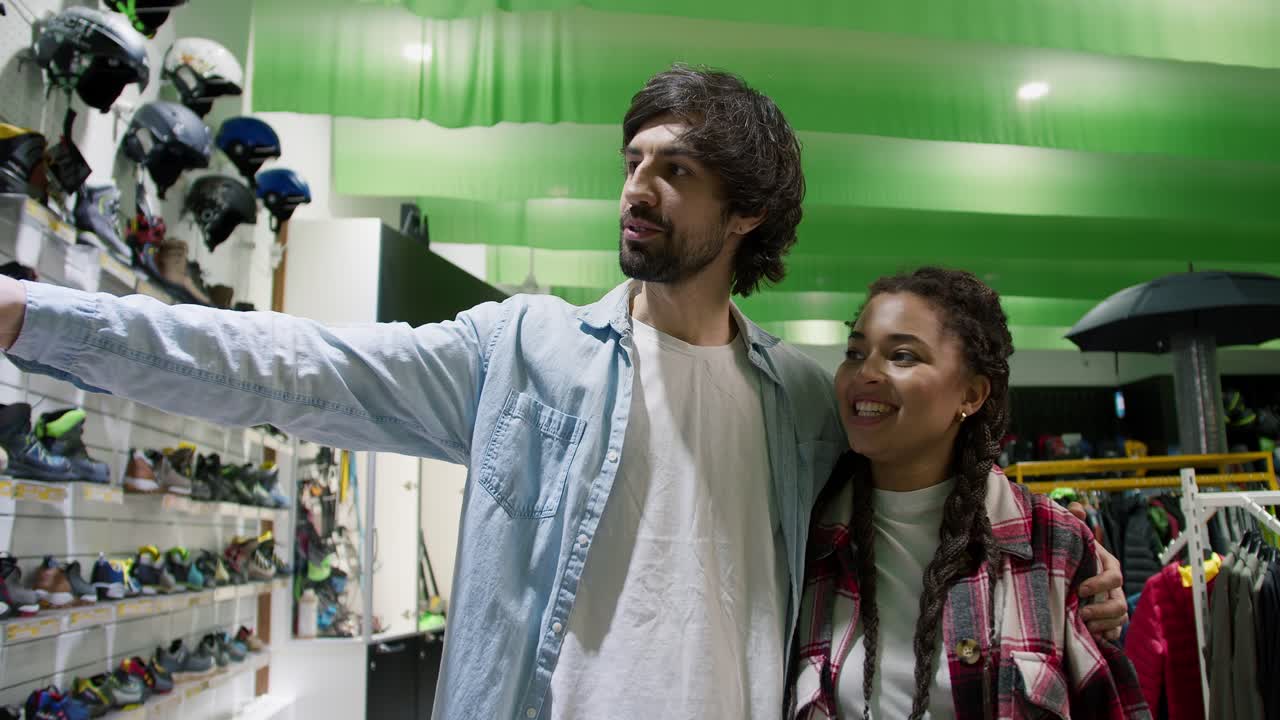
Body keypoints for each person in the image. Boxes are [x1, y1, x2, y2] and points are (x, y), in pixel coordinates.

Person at [0, 67, 1126, 719]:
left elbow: (928, 464)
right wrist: (37, 317)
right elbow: (295, 368)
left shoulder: (793, 392)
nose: (636, 188)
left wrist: (1073, 558)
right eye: (632, 161)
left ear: (743, 217)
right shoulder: (521, 350)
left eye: (673, 170)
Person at [787, 268, 1148, 720]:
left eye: (902, 355)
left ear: (972, 394)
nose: (867, 372)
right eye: (855, 352)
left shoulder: (1050, 545)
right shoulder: (806, 541)